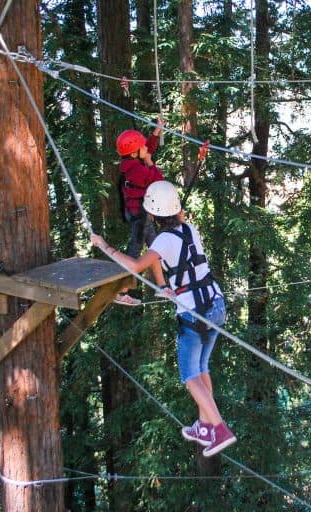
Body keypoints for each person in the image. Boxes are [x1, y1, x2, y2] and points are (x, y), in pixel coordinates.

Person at [91, 181, 237, 458]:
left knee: (189, 374)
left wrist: (104, 246)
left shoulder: (161, 240)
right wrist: (164, 285)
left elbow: (136, 266)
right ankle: (206, 425)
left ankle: (219, 428)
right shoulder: (188, 230)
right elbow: (170, 259)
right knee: (202, 365)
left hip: (194, 311)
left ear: (153, 213)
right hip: (215, 304)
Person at [114, 119, 165, 306]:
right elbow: (158, 181)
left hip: (137, 212)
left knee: (155, 248)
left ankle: (162, 287)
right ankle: (120, 291)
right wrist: (150, 161)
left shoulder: (131, 162)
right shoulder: (136, 170)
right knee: (135, 252)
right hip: (139, 215)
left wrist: (156, 133)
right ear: (135, 152)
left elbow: (146, 148)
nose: (145, 148)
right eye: (141, 147)